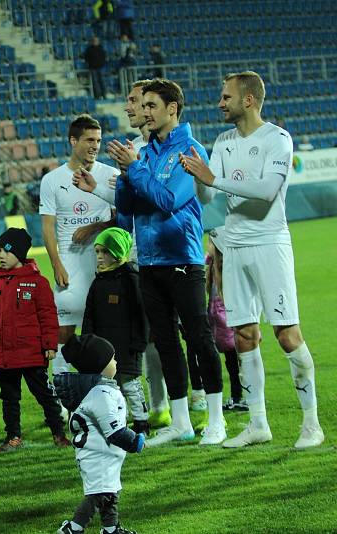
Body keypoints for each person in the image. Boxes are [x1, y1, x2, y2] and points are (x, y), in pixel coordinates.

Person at [180, 71, 324, 449]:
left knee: (287, 334)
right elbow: (209, 197)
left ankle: (311, 423)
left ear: (248, 100)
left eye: (226, 96)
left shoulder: (278, 138)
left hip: (269, 243)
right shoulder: (224, 141)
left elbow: (266, 190)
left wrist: (213, 178)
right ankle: (258, 423)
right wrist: (198, 177)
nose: (219, 102)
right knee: (244, 334)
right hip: (234, 245)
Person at [108, 78, 226, 446]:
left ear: (172, 109)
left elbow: (167, 200)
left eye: (151, 107)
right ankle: (180, 422)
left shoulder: (189, 150)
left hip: (183, 259)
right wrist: (127, 173)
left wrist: (136, 170)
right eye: (143, 107)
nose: (144, 113)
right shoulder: (144, 153)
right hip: (151, 262)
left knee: (199, 339)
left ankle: (217, 418)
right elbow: (126, 209)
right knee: (165, 341)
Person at [73, 80, 171, 430]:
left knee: (166, 337)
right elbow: (131, 208)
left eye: (134, 101)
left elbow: (166, 200)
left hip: (166, 255)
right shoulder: (132, 150)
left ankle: (187, 402)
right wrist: (100, 189)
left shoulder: (163, 151)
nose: (129, 107)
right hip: (139, 256)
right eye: (131, 101)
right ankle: (158, 407)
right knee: (153, 339)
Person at [0, 228, 70, 452]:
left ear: (19, 252)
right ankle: (13, 437)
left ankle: (58, 433)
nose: (1, 256)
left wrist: (49, 345)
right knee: (9, 399)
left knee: (45, 396)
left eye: (6, 250)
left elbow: (48, 316)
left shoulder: (38, 283)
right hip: (3, 355)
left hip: (31, 354)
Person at [40, 114, 117, 380]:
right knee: (64, 329)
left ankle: (107, 388)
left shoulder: (110, 175)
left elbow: (122, 218)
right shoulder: (52, 180)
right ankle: (61, 387)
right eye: (89, 140)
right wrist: (56, 264)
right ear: (74, 141)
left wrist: (94, 227)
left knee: (106, 328)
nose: (95, 146)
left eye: (98, 140)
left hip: (104, 268)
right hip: (69, 267)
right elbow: (48, 227)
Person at [55, 334, 145, 534]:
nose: (116, 361)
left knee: (110, 493)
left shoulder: (98, 391)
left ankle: (110, 528)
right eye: (112, 358)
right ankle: (73, 528)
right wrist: (135, 442)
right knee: (99, 495)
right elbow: (114, 431)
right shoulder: (100, 395)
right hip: (98, 456)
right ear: (100, 364)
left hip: (101, 455)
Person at [82, 227, 148, 433]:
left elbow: (142, 315)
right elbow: (89, 314)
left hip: (128, 346)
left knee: (130, 384)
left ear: (118, 252)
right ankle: (118, 423)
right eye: (98, 252)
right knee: (109, 387)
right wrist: (87, 342)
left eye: (105, 252)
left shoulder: (132, 280)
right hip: (104, 349)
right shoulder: (97, 283)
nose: (100, 257)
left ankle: (141, 421)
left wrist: (139, 342)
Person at [206, 227, 246, 412]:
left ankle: (240, 396)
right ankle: (237, 396)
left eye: (210, 243)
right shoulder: (212, 264)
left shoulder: (228, 267)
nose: (207, 246)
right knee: (231, 363)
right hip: (219, 324)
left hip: (228, 324)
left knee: (235, 363)